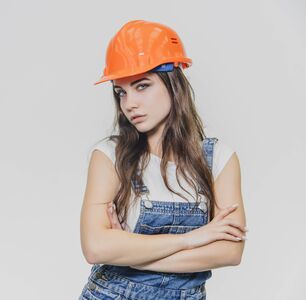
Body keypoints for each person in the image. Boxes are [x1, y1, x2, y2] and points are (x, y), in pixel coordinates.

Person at [79, 20, 248, 300]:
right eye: (121, 92)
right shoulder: (109, 157)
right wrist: (192, 239)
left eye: (142, 86)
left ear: (173, 84)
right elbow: (96, 248)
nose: (129, 103)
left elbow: (230, 251)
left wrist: (129, 255)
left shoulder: (218, 159)